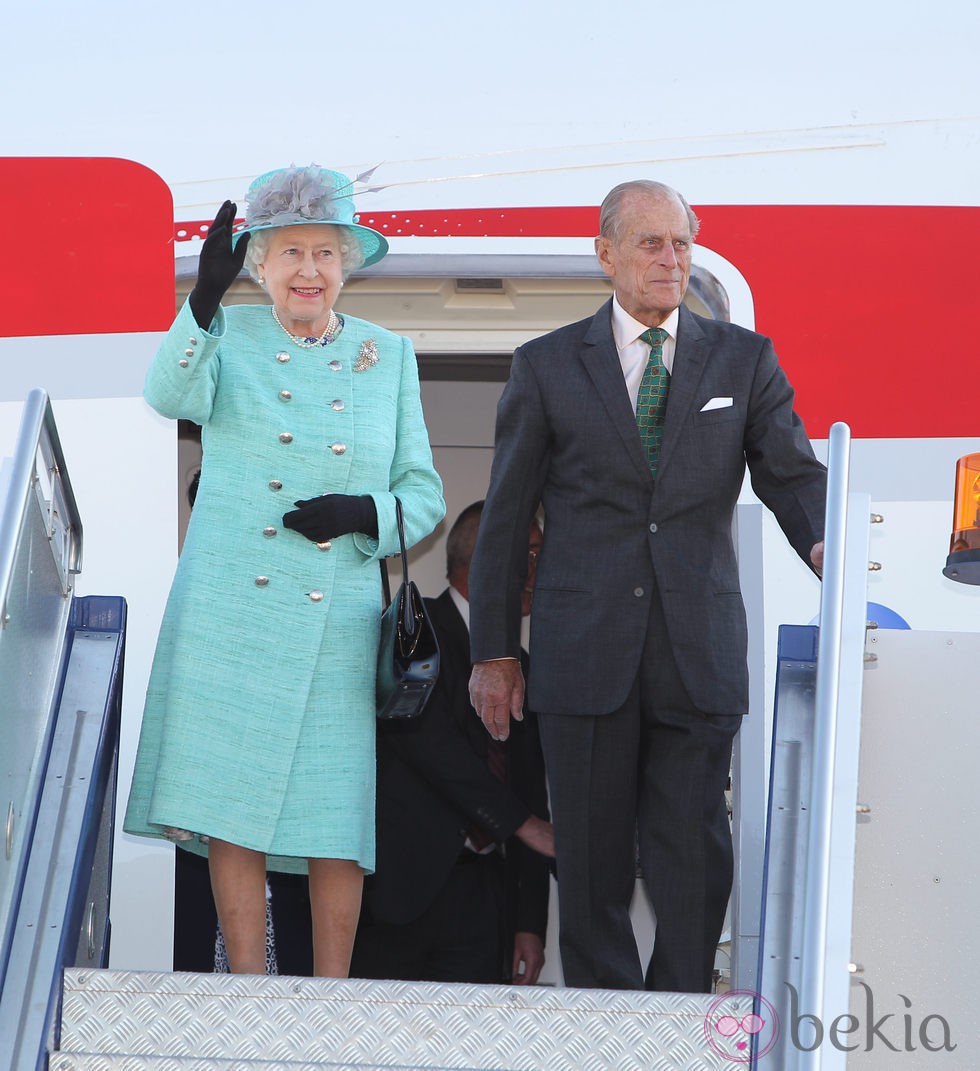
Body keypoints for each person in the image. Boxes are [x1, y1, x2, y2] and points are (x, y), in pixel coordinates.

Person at [467, 179, 827, 994]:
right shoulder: (547, 365)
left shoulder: (746, 359)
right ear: (607, 255)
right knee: (590, 858)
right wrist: (495, 650)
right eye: (651, 243)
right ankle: (606, 1026)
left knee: (694, 852)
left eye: (681, 243)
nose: (672, 259)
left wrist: (825, 541)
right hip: (581, 653)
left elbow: (794, 475)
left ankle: (677, 1016)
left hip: (698, 649)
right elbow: (506, 520)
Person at [124, 164, 445, 978]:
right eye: (290, 251)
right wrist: (201, 300)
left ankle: (329, 997)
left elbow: (424, 496)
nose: (309, 269)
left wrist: (361, 514)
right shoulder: (228, 337)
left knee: (333, 813)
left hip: (335, 612)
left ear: (347, 264)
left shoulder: (389, 354)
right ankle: (248, 984)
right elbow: (167, 394)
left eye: (325, 252)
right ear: (259, 264)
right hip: (233, 606)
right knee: (233, 804)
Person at [351, 503, 554, 985]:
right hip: (401, 894)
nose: (539, 569)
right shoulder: (412, 635)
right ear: (486, 558)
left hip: (486, 900)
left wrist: (530, 922)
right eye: (531, 553)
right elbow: (429, 745)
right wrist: (520, 824)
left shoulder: (523, 665)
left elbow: (529, 788)